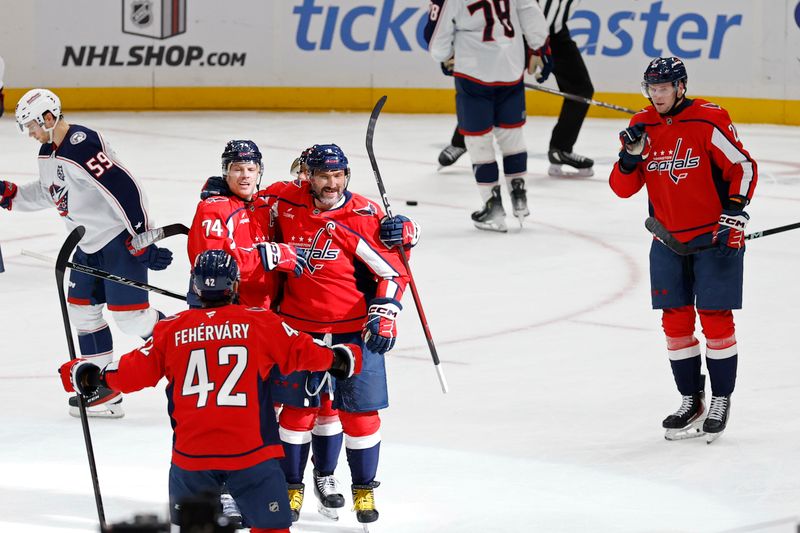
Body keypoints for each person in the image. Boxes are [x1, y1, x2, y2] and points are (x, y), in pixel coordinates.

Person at [58, 250, 362, 533]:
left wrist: (86, 376)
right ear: (234, 285)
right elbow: (313, 355)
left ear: (195, 285)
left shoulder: (171, 330)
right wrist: (343, 358)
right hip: (252, 455)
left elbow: (126, 376)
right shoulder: (261, 323)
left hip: (193, 457)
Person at [259, 144, 418, 525]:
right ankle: (291, 487)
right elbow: (247, 198)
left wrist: (384, 313)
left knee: (360, 417)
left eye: (339, 175)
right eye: (323, 176)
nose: (332, 184)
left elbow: (394, 271)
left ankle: (363, 490)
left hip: (352, 332)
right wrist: (218, 190)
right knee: (297, 414)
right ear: (307, 177)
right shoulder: (285, 200)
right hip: (298, 330)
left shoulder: (363, 215)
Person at [609, 57, 758, 443]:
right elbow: (622, 188)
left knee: (715, 318)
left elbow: (741, 166)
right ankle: (691, 399)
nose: (656, 95)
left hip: (713, 238)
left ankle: (721, 399)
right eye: (651, 88)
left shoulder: (708, 119)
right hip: (667, 241)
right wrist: (629, 158)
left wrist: (734, 212)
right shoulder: (640, 126)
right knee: (675, 325)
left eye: (663, 88)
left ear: (680, 87)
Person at [3, 88, 174, 418]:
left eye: (33, 126)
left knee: (132, 320)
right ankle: (102, 389)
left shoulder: (83, 145)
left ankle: (187, 344)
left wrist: (142, 239)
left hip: (116, 243)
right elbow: (50, 192)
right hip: (85, 246)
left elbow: (125, 188)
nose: (31, 134)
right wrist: (10, 196)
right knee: (82, 313)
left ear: (49, 118)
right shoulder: (47, 153)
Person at [428, 0, 551, 232]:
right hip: (511, 68)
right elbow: (531, 13)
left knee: (478, 139)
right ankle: (519, 194)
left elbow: (438, 35)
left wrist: (444, 56)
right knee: (512, 134)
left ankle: (492, 204)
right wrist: (539, 48)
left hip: (473, 72)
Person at [435, 0, 595, 178]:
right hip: (519, 30)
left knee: (581, 89)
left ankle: (561, 149)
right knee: (488, 84)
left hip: (554, 32)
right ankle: (461, 140)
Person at [188, 140, 306, 309]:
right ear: (225, 172)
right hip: (228, 310)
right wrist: (272, 256)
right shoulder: (214, 209)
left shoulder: (262, 205)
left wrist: (307, 172)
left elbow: (296, 189)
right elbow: (215, 266)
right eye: (237, 169)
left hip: (264, 308)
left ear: (259, 172)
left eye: (251, 169)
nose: (245, 175)